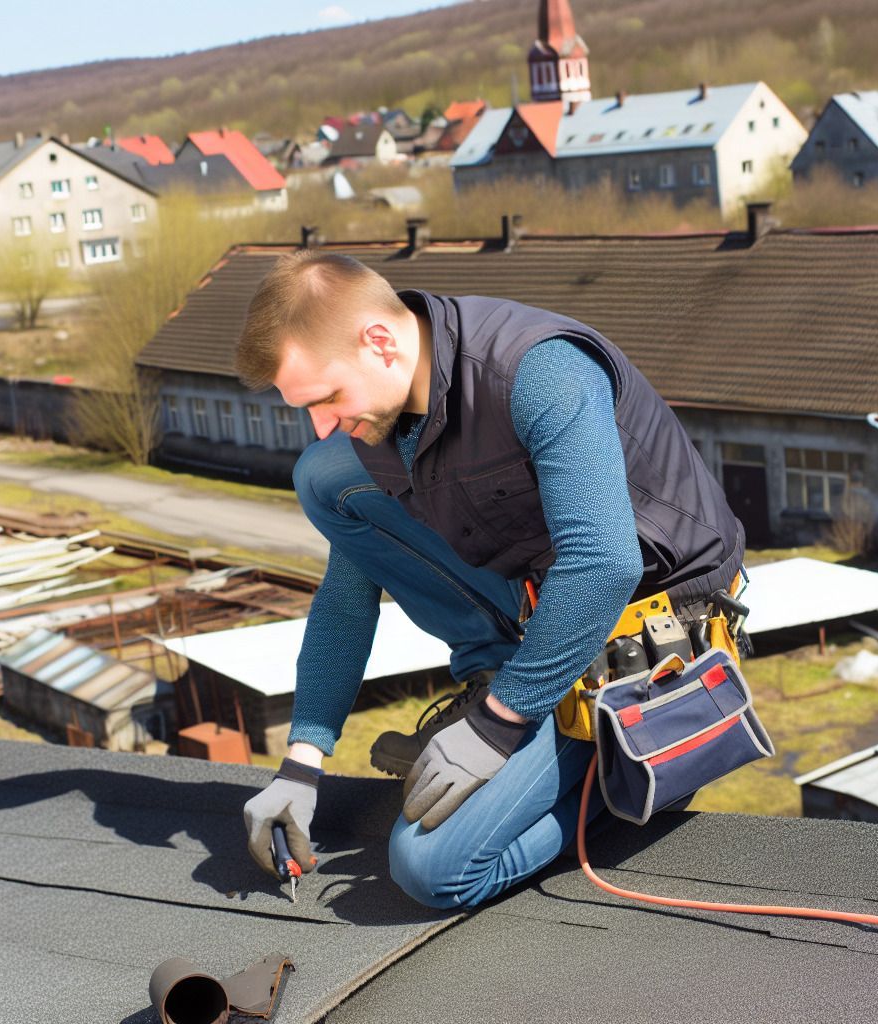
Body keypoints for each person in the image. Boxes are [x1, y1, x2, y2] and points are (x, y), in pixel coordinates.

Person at [238, 250, 744, 910]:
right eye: (305, 406)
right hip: (539, 600)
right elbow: (346, 591)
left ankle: (634, 776)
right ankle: (501, 679)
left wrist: (497, 727)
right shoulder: (383, 416)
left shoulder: (538, 372)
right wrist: (303, 762)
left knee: (431, 868)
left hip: (646, 621)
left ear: (381, 343)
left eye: (328, 397)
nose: (323, 423)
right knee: (321, 474)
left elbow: (603, 567)